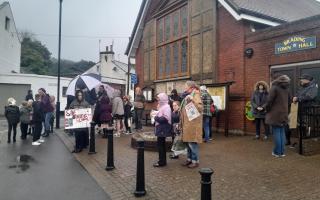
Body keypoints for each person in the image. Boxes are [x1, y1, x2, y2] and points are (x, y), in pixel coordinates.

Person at [265, 75, 290, 158]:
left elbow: (269, 101)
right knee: (282, 133)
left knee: (276, 133)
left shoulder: (274, 88)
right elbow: (289, 101)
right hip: (284, 113)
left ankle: (277, 152)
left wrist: (267, 110)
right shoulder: (286, 89)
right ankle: (282, 152)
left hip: (275, 114)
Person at [180, 81, 203, 168]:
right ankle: (189, 159)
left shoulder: (195, 95)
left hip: (193, 125)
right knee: (188, 143)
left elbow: (200, 108)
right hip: (188, 124)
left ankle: (195, 161)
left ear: (191, 88)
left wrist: (192, 99)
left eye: (186, 87)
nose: (184, 88)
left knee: (192, 144)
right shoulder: (188, 95)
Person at [152, 93, 172, 167]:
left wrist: (156, 118)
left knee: (161, 146)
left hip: (163, 128)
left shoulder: (166, 107)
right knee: (161, 145)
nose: (158, 100)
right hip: (161, 128)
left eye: (159, 98)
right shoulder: (163, 106)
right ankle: (162, 161)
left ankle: (161, 162)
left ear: (163, 99)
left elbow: (166, 118)